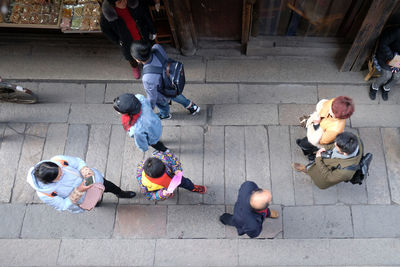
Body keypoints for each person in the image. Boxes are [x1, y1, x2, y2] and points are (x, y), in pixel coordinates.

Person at [27, 155, 136, 213]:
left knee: (110, 187)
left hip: (95, 181)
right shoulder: (45, 194)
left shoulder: (58, 160)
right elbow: (63, 205)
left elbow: (78, 163)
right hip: (83, 198)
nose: (63, 173)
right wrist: (79, 191)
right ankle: (96, 203)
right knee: (95, 202)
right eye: (59, 176)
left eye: (61, 170)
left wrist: (86, 172)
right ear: (49, 181)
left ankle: (120, 193)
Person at [130, 41, 200, 120]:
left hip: (163, 93)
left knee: (163, 106)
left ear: (138, 60)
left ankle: (165, 115)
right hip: (171, 80)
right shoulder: (157, 47)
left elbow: (152, 97)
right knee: (176, 95)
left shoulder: (147, 78)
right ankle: (192, 106)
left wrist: (149, 109)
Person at [100, 0, 157, 79]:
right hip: (127, 41)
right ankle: (135, 67)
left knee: (146, 51)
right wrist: (117, 40)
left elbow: (146, 16)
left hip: (142, 35)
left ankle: (149, 65)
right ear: (113, 4)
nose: (124, 2)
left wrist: (152, 30)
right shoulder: (108, 15)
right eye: (119, 2)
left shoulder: (133, 3)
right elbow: (105, 30)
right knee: (131, 57)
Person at [292, 132, 363, 189]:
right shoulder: (354, 139)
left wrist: (318, 159)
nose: (335, 144)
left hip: (325, 175)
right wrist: (325, 148)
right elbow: (333, 145)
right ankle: (309, 168)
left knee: (315, 172)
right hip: (331, 161)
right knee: (315, 165)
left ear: (344, 153)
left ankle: (306, 170)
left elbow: (328, 177)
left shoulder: (345, 172)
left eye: (337, 145)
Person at [297, 96, 354, 161]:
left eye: (333, 111)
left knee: (306, 144)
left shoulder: (336, 129)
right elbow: (324, 105)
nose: (330, 109)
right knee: (306, 141)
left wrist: (316, 124)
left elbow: (322, 141)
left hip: (320, 134)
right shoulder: (335, 103)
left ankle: (310, 154)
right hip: (321, 125)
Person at [136, 150, 206, 201]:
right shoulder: (144, 184)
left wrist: (176, 169)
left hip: (175, 178)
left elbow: (173, 159)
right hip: (163, 188)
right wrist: (161, 194)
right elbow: (150, 196)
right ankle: (168, 194)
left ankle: (192, 187)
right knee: (168, 193)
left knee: (186, 183)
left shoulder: (162, 157)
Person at [370, 26, 400, 101]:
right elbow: (383, 44)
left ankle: (386, 88)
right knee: (387, 75)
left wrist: (397, 62)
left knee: (397, 76)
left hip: (398, 58)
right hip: (386, 55)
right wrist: (391, 58)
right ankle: (374, 86)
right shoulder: (397, 31)